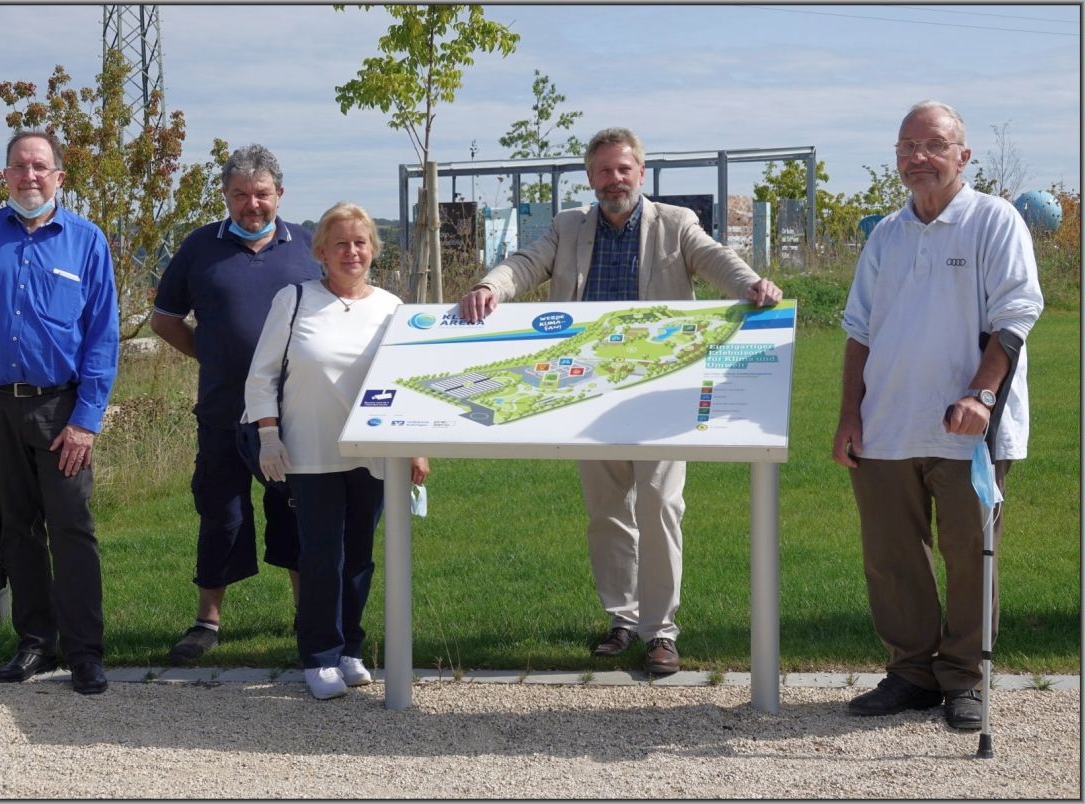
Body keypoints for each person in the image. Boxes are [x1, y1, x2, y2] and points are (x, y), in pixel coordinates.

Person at [458, 127, 782, 675]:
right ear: (590, 178)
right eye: (604, 171)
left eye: (624, 169)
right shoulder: (568, 227)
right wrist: (490, 286)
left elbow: (715, 257)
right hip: (586, 390)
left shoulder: (675, 223)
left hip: (659, 390)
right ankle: (622, 619)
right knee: (607, 512)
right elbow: (525, 263)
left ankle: (661, 632)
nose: (615, 180)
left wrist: (751, 285)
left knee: (659, 505)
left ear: (641, 173)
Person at [833, 101, 1043, 730]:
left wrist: (981, 395)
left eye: (933, 145)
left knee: (970, 554)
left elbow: (1016, 315)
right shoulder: (886, 234)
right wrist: (849, 416)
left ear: (963, 155)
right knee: (891, 557)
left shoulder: (994, 220)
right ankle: (912, 673)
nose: (917, 157)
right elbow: (859, 330)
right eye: (906, 146)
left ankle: (964, 678)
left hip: (968, 431)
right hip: (886, 424)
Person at [0, 129, 119, 695]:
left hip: (60, 410)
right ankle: (35, 641)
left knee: (72, 528)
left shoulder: (86, 241)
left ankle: (85, 652)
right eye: (19, 166)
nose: (29, 175)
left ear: (59, 176)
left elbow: (102, 337)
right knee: (16, 529)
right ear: (5, 176)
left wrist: (86, 420)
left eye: (40, 166)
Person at [245, 202, 429, 700]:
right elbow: (262, 375)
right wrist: (268, 436)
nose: (352, 252)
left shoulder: (392, 307)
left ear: (374, 249)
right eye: (340, 243)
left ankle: (349, 649)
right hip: (309, 452)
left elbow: (408, 380)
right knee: (322, 556)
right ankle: (319, 656)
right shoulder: (295, 300)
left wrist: (416, 447)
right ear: (321, 252)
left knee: (360, 558)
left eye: (360, 242)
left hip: (374, 452)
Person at [152, 144, 322, 665]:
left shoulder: (308, 248)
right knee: (220, 515)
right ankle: (207, 622)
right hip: (223, 411)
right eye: (240, 194)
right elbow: (165, 319)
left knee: (296, 514)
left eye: (262, 194)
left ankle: (308, 617)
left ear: (280, 194)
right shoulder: (199, 247)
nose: (252, 204)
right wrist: (212, 355)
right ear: (225, 196)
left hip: (293, 414)